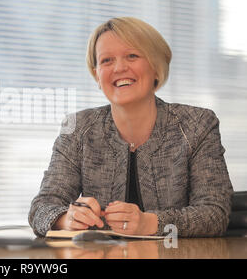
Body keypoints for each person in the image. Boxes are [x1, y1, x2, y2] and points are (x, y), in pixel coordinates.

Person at [28, 17, 233, 238]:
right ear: (97, 75)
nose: (119, 68)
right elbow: (42, 207)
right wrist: (65, 219)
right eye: (106, 60)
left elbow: (215, 213)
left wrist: (151, 223)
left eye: (132, 56)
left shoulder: (197, 124)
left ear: (156, 67)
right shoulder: (77, 128)